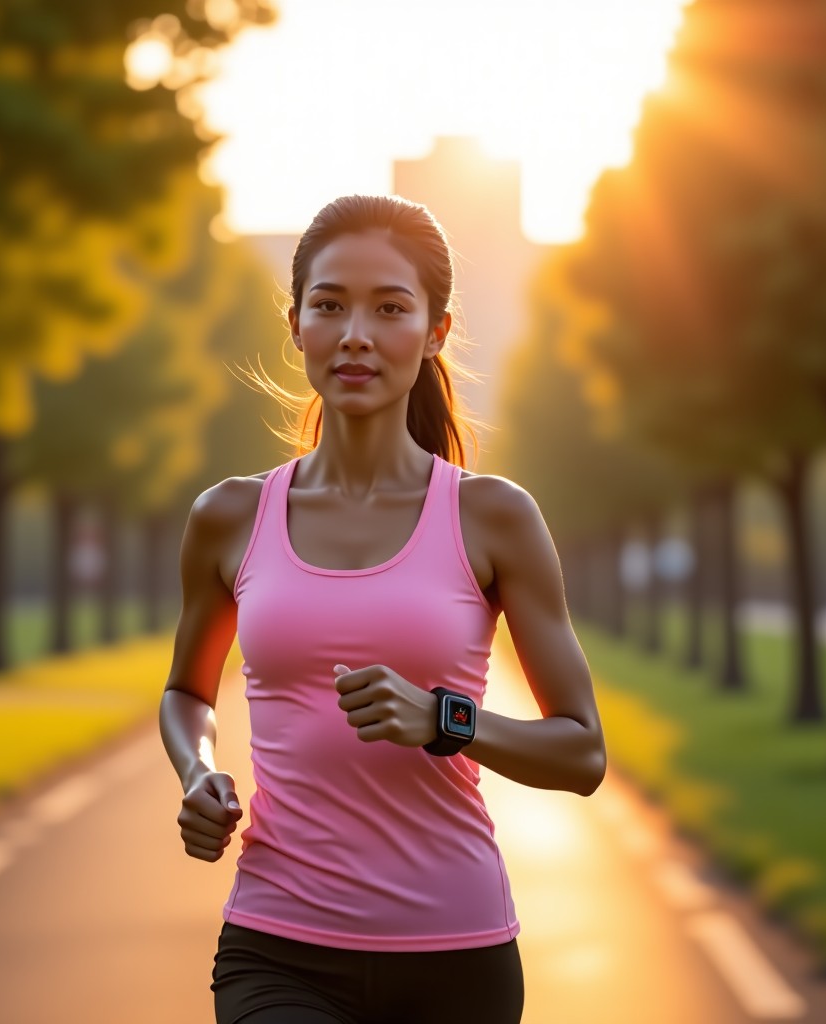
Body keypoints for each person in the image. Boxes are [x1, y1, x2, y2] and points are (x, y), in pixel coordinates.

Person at [160, 194, 606, 1024]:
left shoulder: (494, 516)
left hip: (458, 956)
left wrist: (447, 720)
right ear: (296, 323)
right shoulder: (228, 516)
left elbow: (581, 753)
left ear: (435, 330)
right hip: (276, 943)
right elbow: (187, 691)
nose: (355, 333)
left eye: (390, 308)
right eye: (329, 305)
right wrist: (198, 773)